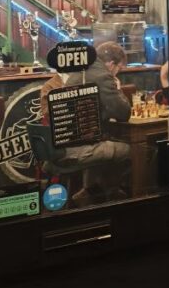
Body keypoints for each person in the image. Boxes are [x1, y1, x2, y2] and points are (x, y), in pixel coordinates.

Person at [56, 41, 132, 205]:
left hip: (65, 142)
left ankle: (90, 191)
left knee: (104, 141)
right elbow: (123, 113)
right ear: (111, 64)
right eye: (119, 69)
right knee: (131, 150)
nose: (118, 73)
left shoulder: (81, 70)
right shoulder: (103, 76)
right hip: (79, 147)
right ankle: (119, 198)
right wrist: (118, 88)